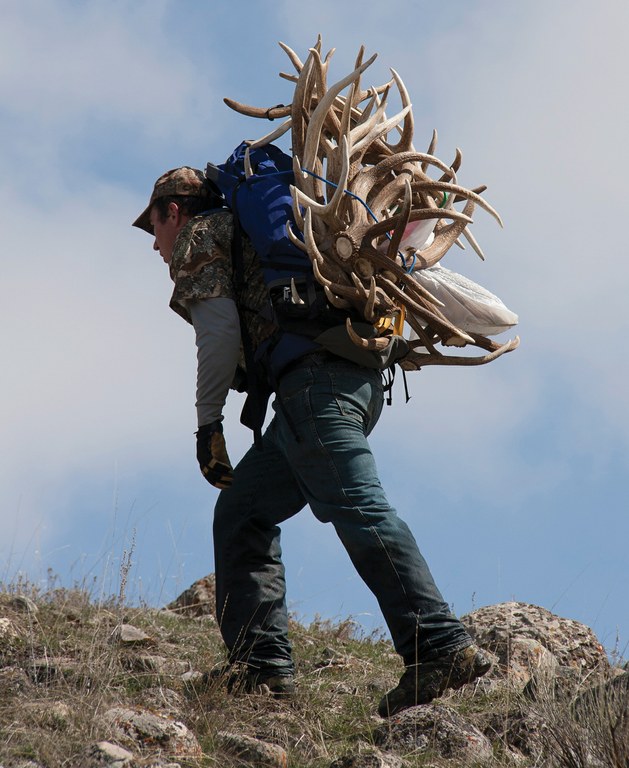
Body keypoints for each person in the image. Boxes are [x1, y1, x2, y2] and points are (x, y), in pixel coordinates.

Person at [133, 165, 492, 717]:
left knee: (359, 508)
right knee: (242, 511)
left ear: (173, 211)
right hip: (347, 380)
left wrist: (208, 425)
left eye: (152, 228)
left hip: (314, 387)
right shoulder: (253, 236)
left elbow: (220, 331)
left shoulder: (202, 235)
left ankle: (439, 646)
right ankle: (260, 671)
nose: (155, 245)